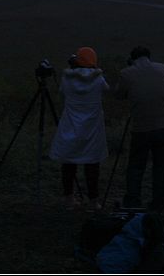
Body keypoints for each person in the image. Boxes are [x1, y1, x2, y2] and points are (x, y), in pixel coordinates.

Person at [49, 46, 109, 210]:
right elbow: (107, 89)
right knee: (92, 164)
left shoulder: (67, 79)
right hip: (92, 128)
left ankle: (69, 199)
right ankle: (93, 201)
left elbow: (62, 93)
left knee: (68, 163)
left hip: (70, 125)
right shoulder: (98, 79)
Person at [115, 46, 164, 211]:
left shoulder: (126, 73)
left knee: (136, 167)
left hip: (141, 128)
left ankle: (133, 202)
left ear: (132, 59)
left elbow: (118, 95)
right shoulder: (162, 68)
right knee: (162, 167)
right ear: (149, 57)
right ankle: (159, 204)